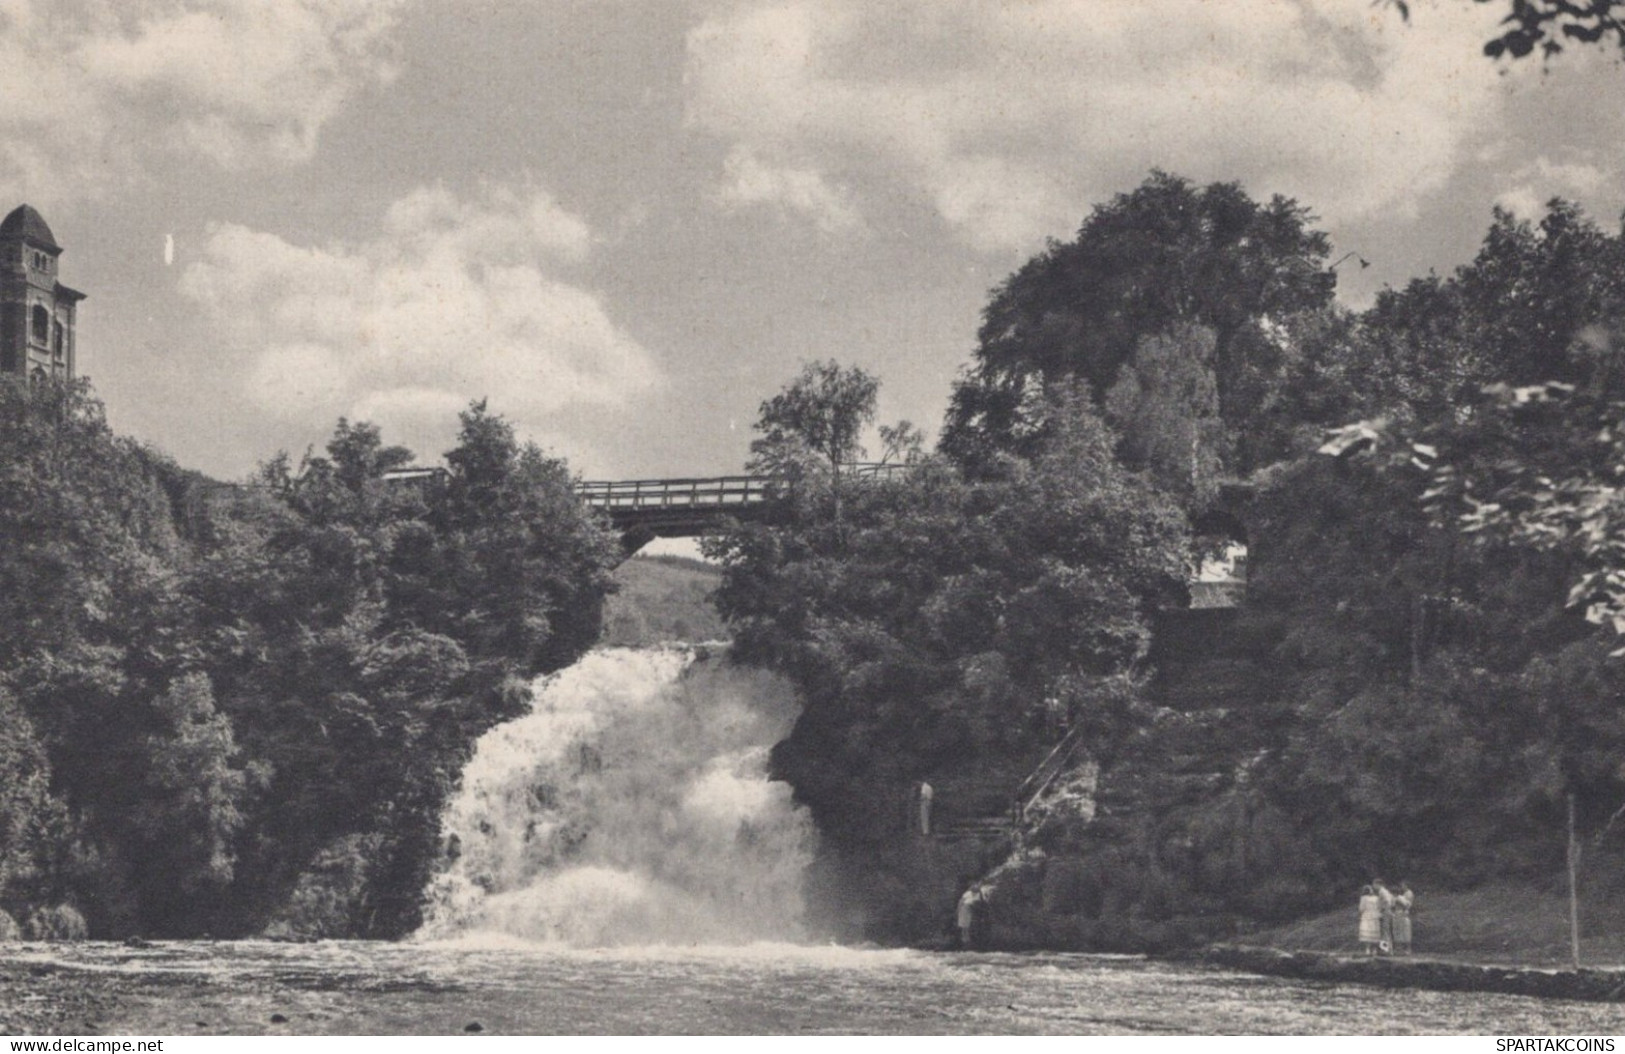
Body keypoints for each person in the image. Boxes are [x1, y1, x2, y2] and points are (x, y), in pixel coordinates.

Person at [1357, 884, 1383, 956]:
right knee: (1374, 931)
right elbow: (1379, 907)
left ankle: (1368, 949)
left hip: (1367, 915)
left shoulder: (1363, 898)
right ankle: (1374, 949)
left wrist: (1360, 914)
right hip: (1375, 915)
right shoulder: (1376, 898)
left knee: (1367, 932)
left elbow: (1361, 908)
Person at [1373, 877, 1395, 954]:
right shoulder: (1385, 891)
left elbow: (1387, 902)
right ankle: (1387, 950)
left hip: (1385, 913)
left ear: (1378, 884)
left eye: (1374, 884)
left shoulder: (1382, 891)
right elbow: (1392, 901)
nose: (1373, 886)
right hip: (1386, 912)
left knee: (1385, 932)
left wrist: (1382, 910)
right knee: (1385, 932)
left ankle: (1386, 950)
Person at [1392, 881, 1414, 956]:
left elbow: (1407, 904)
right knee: (1399, 931)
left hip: (1402, 914)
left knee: (1405, 931)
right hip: (1398, 914)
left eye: (1403, 885)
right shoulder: (1401, 896)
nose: (1402, 887)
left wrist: (1405, 909)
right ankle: (1399, 949)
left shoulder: (1405, 895)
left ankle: (1407, 949)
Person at [956, 885, 977, 949]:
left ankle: (966, 939)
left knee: (967, 924)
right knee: (964, 924)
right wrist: (958, 909)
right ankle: (964, 939)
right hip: (964, 908)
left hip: (969, 908)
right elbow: (961, 901)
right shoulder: (968, 893)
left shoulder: (975, 895)